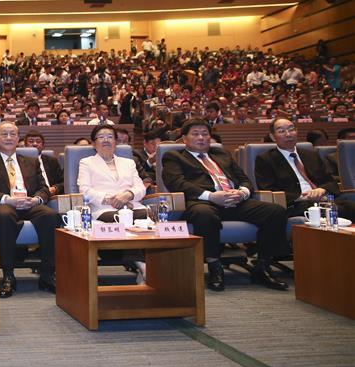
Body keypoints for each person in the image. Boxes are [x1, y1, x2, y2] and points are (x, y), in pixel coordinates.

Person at [162, 119, 289, 292]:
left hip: (234, 201)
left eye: (205, 134)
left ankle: (263, 265)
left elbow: (244, 179)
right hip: (201, 202)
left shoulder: (222, 154)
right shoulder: (174, 157)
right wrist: (212, 196)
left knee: (275, 211)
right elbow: (177, 183)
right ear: (184, 139)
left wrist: (242, 192)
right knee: (204, 214)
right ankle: (215, 266)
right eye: (196, 134)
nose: (201, 138)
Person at [0, 121, 60, 298]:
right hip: (2, 205)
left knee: (51, 216)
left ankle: (47, 275)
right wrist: (8, 200)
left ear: (18, 139)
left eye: (12, 134)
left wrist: (36, 199)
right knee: (5, 215)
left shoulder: (31, 161)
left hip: (30, 204)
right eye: (4, 134)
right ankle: (8, 275)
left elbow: (44, 188)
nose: (9, 137)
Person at [255, 118, 355, 221]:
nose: (288, 134)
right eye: (281, 131)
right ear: (272, 136)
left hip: (323, 200)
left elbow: (331, 182)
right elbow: (269, 190)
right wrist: (304, 196)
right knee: (318, 210)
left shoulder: (311, 155)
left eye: (291, 129)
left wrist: (322, 190)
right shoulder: (265, 160)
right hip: (296, 205)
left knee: (351, 207)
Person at [78, 125, 148, 220]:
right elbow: (85, 190)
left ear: (115, 142)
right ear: (93, 144)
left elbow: (140, 188)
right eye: (101, 137)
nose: (106, 140)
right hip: (104, 209)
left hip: (132, 206)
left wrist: (128, 195)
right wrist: (111, 200)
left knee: (147, 214)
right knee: (119, 218)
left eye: (110, 137)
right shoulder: (86, 163)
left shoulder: (128, 162)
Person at [23, 131, 64, 197]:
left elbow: (63, 182)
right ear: (25, 145)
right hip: (31, 197)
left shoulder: (52, 161)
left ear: (43, 146)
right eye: (31, 141)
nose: (35, 144)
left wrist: (55, 188)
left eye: (38, 141)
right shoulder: (19, 162)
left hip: (52, 196)